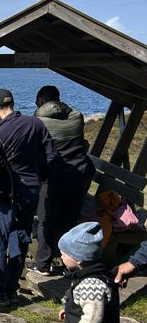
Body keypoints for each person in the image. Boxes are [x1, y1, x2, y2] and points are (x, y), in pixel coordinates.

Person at [0, 89, 56, 306]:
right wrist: (38, 176)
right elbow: (51, 155)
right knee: (20, 237)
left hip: (5, 194)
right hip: (31, 190)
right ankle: (12, 288)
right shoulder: (36, 123)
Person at [31, 85, 95, 275]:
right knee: (69, 220)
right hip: (78, 175)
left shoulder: (38, 121)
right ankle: (70, 264)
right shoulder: (77, 116)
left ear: (41, 100)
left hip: (53, 177)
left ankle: (43, 264)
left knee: (45, 221)